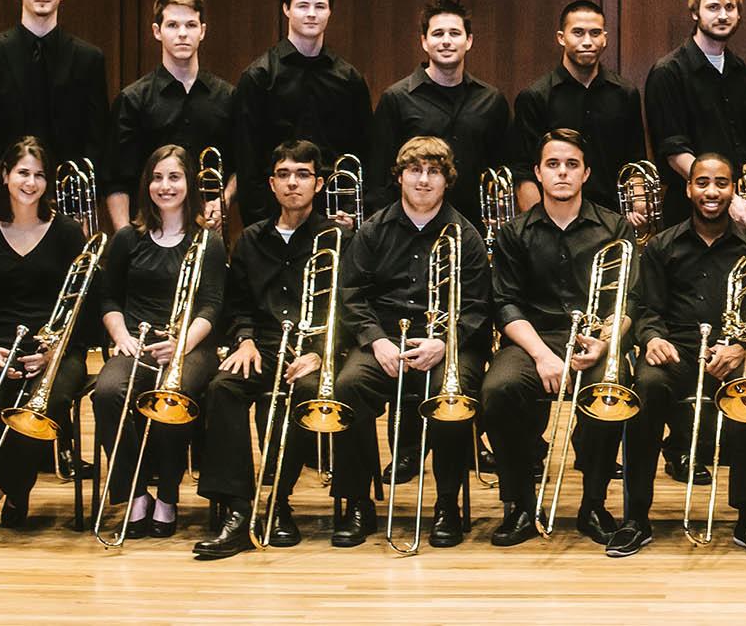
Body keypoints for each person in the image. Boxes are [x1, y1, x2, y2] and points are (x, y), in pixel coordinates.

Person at [612, 153, 746, 558]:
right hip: (677, 352)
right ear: (688, 189)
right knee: (646, 389)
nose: (712, 191)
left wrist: (741, 346)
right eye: (702, 182)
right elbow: (645, 307)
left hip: (729, 353)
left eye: (721, 183)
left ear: (732, 190)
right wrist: (651, 338)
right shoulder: (662, 246)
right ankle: (636, 516)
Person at [329, 136, 492, 549]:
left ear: (447, 180)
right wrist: (376, 341)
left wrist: (444, 342)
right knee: (348, 388)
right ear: (400, 176)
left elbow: (477, 306)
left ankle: (446, 505)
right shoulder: (373, 230)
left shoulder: (466, 235)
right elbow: (352, 296)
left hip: (447, 348)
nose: (423, 180)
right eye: (415, 170)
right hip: (386, 344)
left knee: (449, 398)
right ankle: (359, 503)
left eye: (434, 171)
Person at [480, 128, 634, 549]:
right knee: (499, 389)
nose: (562, 173)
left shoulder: (614, 226)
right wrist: (543, 356)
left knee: (612, 387)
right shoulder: (515, 232)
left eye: (571, 164)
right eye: (553, 164)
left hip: (595, 339)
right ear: (537, 173)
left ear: (586, 173)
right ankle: (520, 505)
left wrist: (605, 340)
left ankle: (594, 504)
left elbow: (628, 299)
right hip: (533, 339)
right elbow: (505, 304)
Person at [191, 140, 334, 560]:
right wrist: (245, 339)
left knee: (308, 392)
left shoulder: (336, 237)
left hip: (312, 347)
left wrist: (324, 351)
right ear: (272, 184)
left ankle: (279, 502)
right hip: (265, 344)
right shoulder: (251, 239)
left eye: (303, 174)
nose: (293, 183)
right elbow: (236, 304)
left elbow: (349, 302)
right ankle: (240, 507)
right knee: (223, 388)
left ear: (319, 183)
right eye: (285, 175)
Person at [0, 136, 94, 528]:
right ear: (5, 175)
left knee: (47, 406)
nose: (30, 182)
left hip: (57, 349)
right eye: (22, 173)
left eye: (39, 175)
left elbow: (84, 304)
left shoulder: (67, 233)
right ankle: (18, 484)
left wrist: (55, 351)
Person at [93, 144, 226, 539]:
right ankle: (134, 494)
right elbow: (109, 297)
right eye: (156, 177)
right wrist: (121, 336)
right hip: (138, 340)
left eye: (173, 177)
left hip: (191, 345)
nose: (164, 186)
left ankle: (167, 495)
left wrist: (181, 344)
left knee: (176, 396)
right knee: (107, 392)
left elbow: (212, 304)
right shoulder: (127, 239)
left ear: (188, 184)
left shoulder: (207, 241)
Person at [0, 0, 108, 226]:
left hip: (68, 204)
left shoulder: (89, 59)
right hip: (2, 202)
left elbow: (96, 140)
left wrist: (86, 206)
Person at [235, 0, 373, 228]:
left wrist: (353, 212)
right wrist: (261, 225)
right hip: (274, 215)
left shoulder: (350, 80)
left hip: (334, 215)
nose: (311, 14)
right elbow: (248, 160)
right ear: (286, 9)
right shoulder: (259, 77)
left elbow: (364, 154)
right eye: (302, 6)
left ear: (330, 11)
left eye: (320, 6)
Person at [105, 0, 248, 232]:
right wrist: (124, 240)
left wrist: (223, 201)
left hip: (208, 231)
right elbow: (116, 179)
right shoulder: (132, 100)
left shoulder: (228, 97)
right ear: (156, 31)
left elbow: (243, 165)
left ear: (202, 31)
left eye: (191, 25)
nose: (182, 33)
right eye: (172, 25)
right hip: (148, 233)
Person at [370, 0, 511, 225]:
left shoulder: (492, 101)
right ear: (424, 42)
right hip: (409, 227)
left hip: (475, 227)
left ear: (469, 41)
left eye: (455, 33)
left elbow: (502, 168)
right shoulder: (396, 98)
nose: (446, 41)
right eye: (437, 34)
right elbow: (379, 175)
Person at [645, 0, 746, 221]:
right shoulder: (668, 73)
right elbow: (673, 151)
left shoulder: (745, 74)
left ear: (738, 14)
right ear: (695, 12)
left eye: (729, 7)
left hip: (740, 213)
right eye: (713, 7)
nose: (722, 15)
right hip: (688, 215)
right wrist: (725, 196)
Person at [510, 0, 647, 215]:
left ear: (605, 39)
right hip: (555, 219)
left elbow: (636, 161)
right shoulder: (535, 96)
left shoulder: (625, 93)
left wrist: (638, 205)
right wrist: (537, 225)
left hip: (614, 219)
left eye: (595, 33)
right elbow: (524, 171)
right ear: (561, 38)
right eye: (578, 32)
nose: (587, 41)